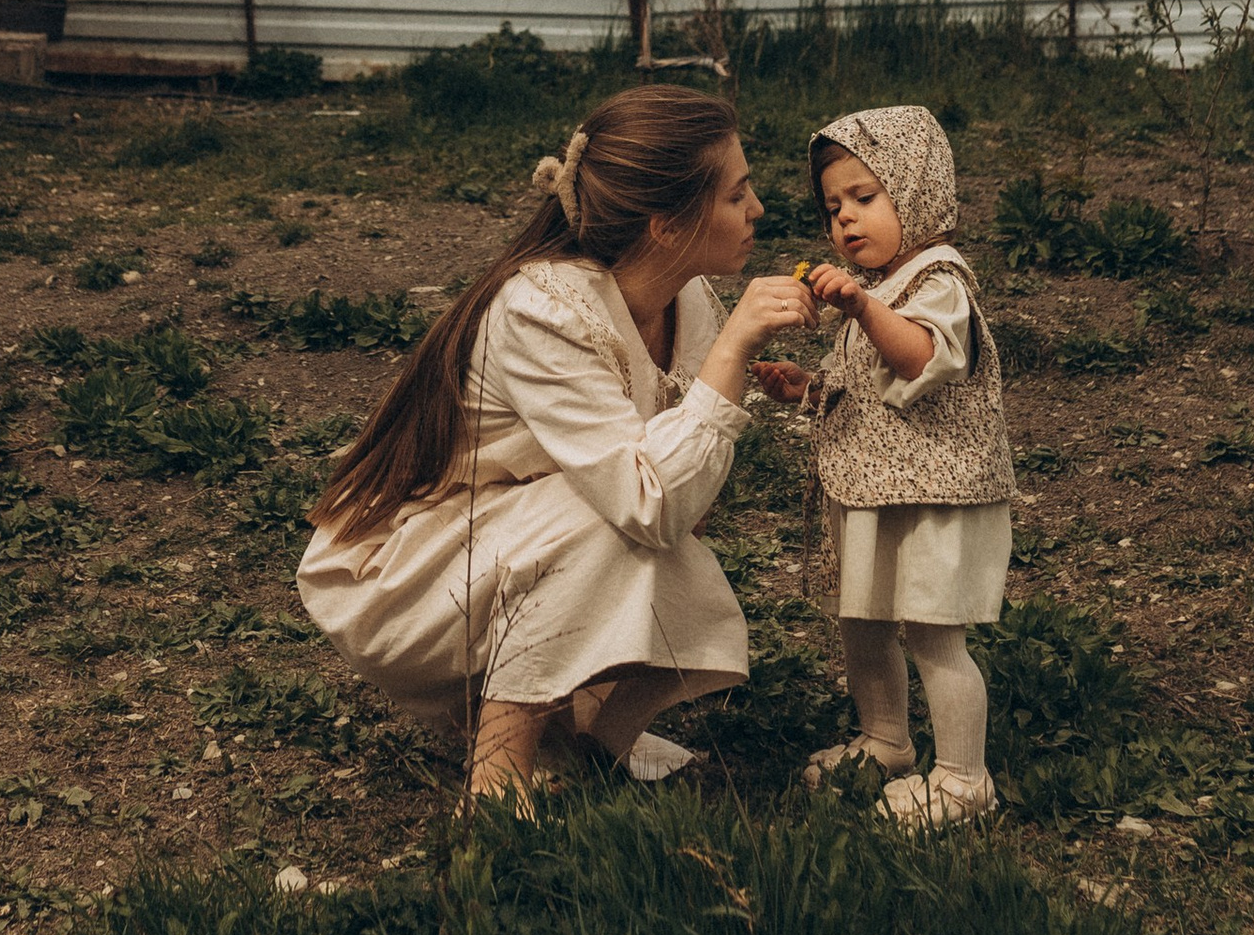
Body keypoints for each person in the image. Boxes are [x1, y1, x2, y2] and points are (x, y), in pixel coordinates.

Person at [298, 86, 813, 808]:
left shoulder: (687, 299)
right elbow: (649, 501)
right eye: (737, 193)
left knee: (631, 515)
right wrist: (731, 356)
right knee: (612, 511)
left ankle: (580, 735)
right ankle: (498, 779)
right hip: (401, 578)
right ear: (666, 226)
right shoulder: (543, 309)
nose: (757, 209)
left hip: (500, 541)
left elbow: (680, 507)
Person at [755, 103, 1013, 830]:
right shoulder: (888, 286)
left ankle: (965, 777)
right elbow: (873, 391)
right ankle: (887, 739)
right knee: (862, 621)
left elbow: (922, 359)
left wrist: (863, 308)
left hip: (936, 493)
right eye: (833, 205)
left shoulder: (939, 281)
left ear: (918, 187)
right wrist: (810, 388)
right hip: (875, 492)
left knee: (934, 634)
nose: (845, 219)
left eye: (865, 197)